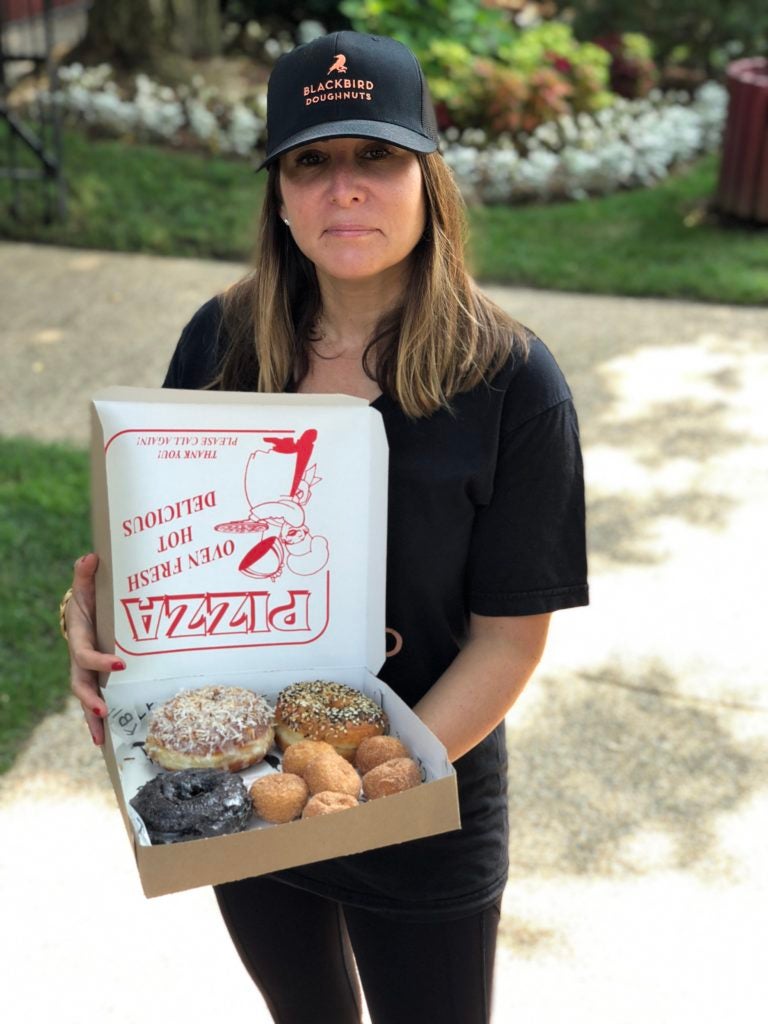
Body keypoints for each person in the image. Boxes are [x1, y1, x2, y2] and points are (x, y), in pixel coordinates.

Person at [64, 30, 588, 1024]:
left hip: (420, 809)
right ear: (280, 195)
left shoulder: (513, 382)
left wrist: (356, 785)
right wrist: (92, 619)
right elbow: (158, 550)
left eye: (377, 155)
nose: (344, 187)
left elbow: (510, 641)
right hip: (242, 794)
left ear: (429, 179)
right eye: (311, 162)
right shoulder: (221, 341)